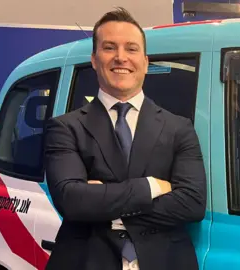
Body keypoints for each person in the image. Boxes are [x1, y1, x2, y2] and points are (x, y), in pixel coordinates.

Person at [43, 7, 207, 270]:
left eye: (131, 49)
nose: (121, 57)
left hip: (165, 261)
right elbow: (72, 200)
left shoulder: (179, 127)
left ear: (144, 60)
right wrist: (151, 187)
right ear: (95, 59)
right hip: (86, 261)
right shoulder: (66, 127)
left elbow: (192, 204)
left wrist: (100, 202)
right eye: (109, 48)